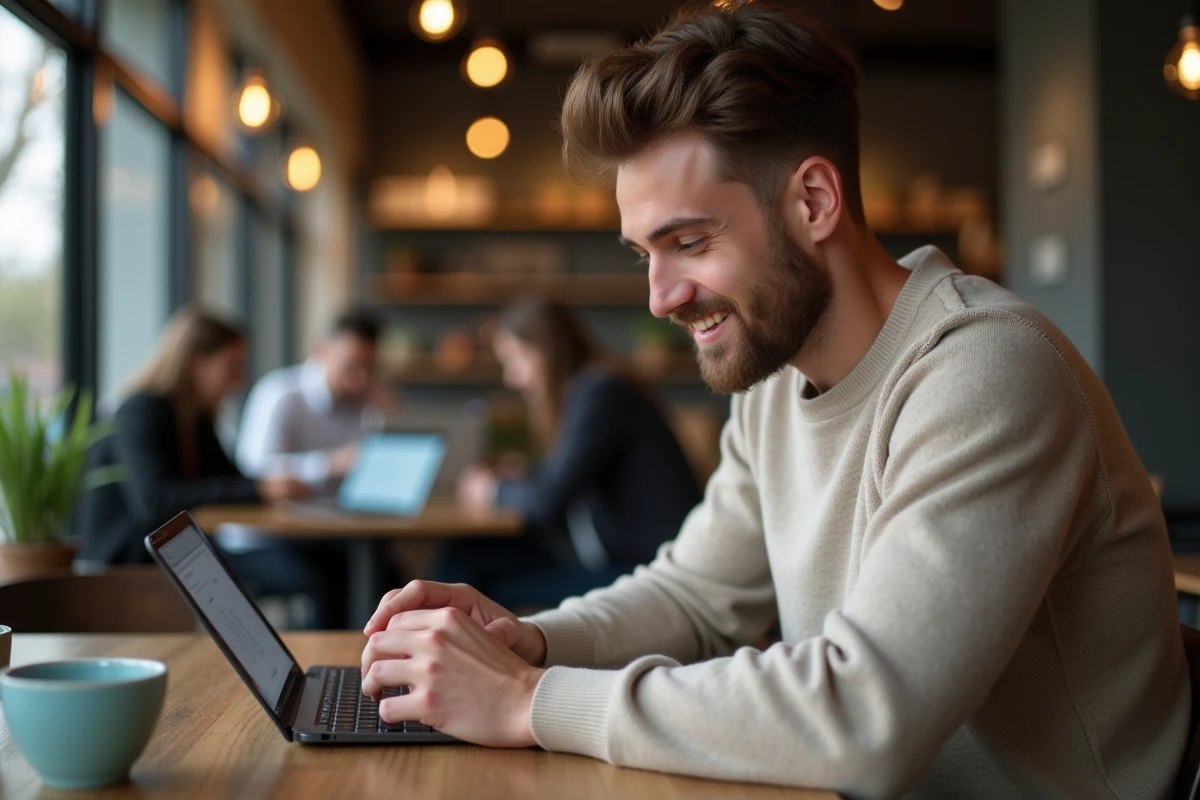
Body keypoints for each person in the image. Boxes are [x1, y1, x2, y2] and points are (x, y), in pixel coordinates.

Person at [358, 3, 1188, 798]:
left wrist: (524, 701)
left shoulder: (987, 371)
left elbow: (870, 717)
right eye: (644, 252)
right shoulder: (774, 382)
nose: (659, 296)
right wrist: (526, 641)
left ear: (814, 201)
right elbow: (694, 597)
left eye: (689, 242)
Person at [444, 295, 701, 608]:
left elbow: (546, 501)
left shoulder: (600, 393)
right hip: (606, 556)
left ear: (545, 350)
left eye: (516, 360)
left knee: (484, 587)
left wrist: (492, 490)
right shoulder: (593, 389)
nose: (513, 378)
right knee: (466, 554)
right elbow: (560, 479)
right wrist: (524, 477)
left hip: (642, 572)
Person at [78, 308, 310, 566]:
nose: (238, 380)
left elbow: (228, 478)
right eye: (232, 367)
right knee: (302, 573)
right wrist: (259, 490)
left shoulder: (196, 419)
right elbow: (156, 501)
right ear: (196, 361)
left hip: (179, 556)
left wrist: (266, 488)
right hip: (126, 564)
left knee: (310, 566)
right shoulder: (140, 412)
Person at [228, 308, 392, 629]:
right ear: (320, 351)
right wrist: (329, 464)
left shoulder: (365, 403)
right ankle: (322, 668)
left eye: (368, 369)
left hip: (324, 535)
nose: (359, 379)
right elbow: (255, 471)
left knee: (386, 577)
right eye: (351, 367)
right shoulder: (280, 395)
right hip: (264, 539)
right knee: (324, 582)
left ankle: (369, 665)